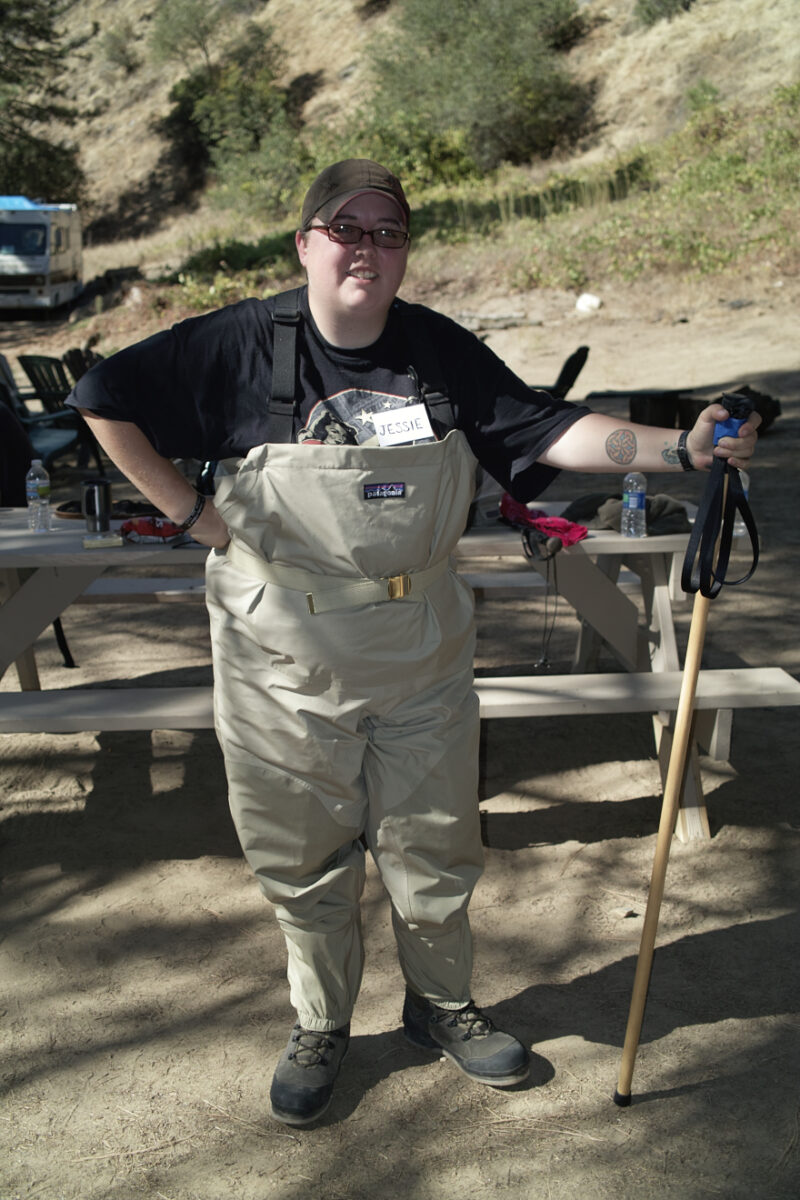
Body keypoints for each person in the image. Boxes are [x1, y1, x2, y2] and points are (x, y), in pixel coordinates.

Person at [68, 159, 759, 1128]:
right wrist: (191, 517)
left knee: (434, 840)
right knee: (301, 854)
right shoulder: (239, 344)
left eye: (386, 232)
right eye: (344, 229)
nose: (365, 248)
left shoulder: (437, 352)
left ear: (403, 253)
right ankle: (320, 1024)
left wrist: (678, 449)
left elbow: (552, 431)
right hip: (279, 654)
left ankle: (440, 1006)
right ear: (304, 244)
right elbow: (102, 394)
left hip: (419, 640)